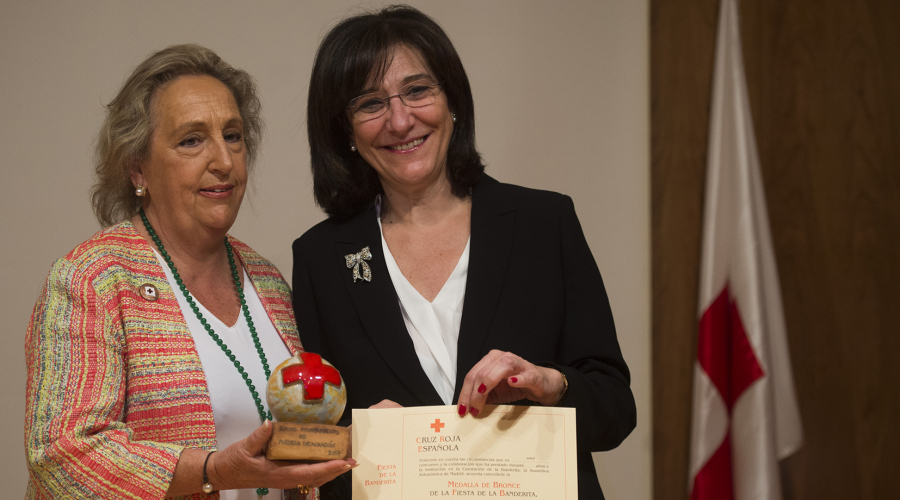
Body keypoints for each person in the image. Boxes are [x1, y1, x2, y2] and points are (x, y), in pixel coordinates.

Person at [293, 6, 636, 499]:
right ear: (345, 131)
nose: (400, 120)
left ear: (451, 100)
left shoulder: (544, 223)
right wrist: (355, 439)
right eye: (370, 104)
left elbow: (616, 411)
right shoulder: (320, 257)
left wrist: (551, 383)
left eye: (418, 90)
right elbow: (311, 438)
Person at [24, 44, 355, 500]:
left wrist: (360, 439)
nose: (223, 161)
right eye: (191, 141)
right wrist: (214, 471)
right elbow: (62, 458)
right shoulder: (91, 279)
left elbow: (299, 428)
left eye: (233, 136)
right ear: (137, 168)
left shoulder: (267, 279)